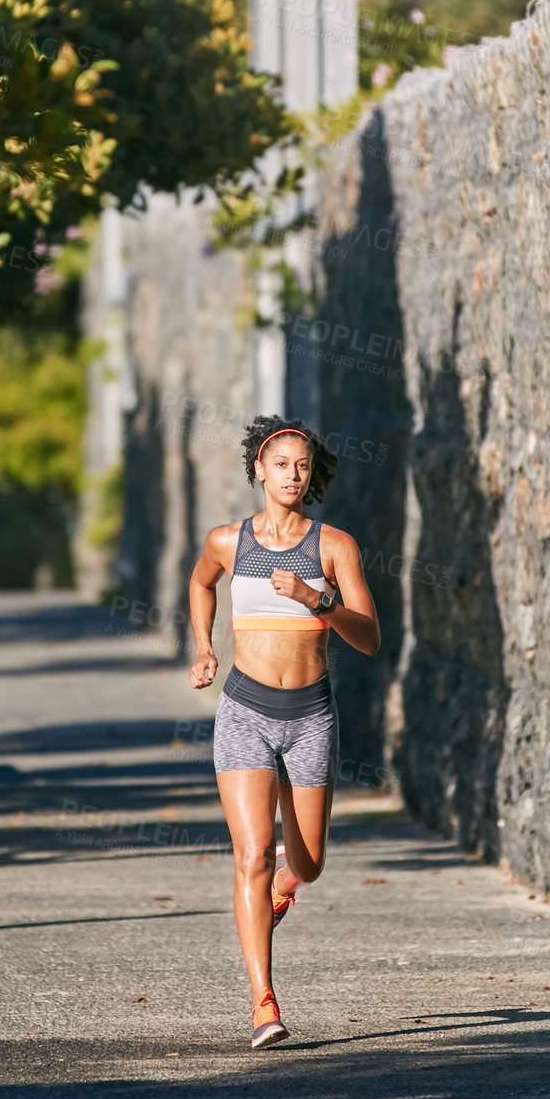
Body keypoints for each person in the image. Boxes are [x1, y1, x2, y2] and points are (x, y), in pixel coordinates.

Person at [188, 416, 379, 1049]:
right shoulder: (227, 541)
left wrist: (314, 599)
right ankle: (263, 1002)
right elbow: (199, 582)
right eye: (280, 464)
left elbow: (370, 639)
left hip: (309, 717)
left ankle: (287, 882)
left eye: (302, 465)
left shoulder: (335, 547)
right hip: (243, 708)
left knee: (309, 863)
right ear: (258, 471)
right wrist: (204, 648)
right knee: (248, 855)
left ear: (311, 474)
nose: (291, 475)